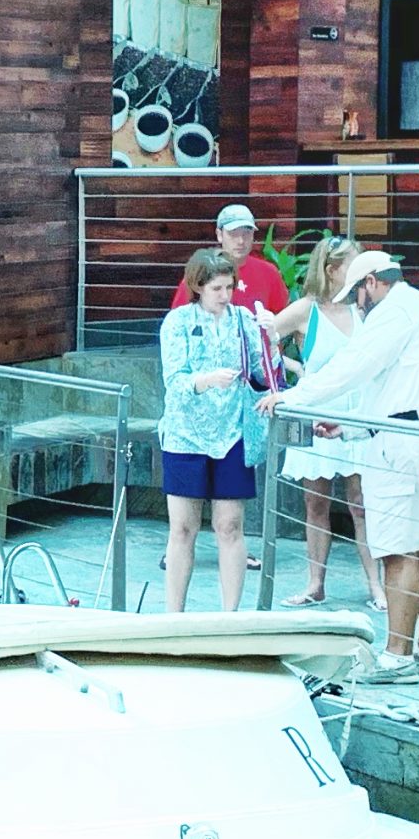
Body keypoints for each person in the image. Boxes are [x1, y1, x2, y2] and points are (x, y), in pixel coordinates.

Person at [275, 252, 419, 684]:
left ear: (372, 282)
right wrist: (349, 428)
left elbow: (354, 366)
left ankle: (397, 657)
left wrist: (294, 398)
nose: (358, 306)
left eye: (358, 296)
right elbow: (400, 389)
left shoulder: (392, 311)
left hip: (407, 444)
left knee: (397, 551)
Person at [261, 234, 385, 610]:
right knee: (316, 503)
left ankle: (376, 586)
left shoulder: (364, 308)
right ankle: (315, 583)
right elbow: (264, 342)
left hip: (358, 412)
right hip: (316, 411)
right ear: (332, 270)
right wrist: (292, 370)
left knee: (363, 503)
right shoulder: (305, 310)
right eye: (352, 262)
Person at [157, 244, 270, 613]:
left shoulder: (242, 320)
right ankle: (173, 615)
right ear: (198, 287)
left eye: (229, 287)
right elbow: (174, 380)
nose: (225, 295)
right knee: (183, 528)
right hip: (185, 435)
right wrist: (206, 380)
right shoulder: (178, 322)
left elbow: (262, 369)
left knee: (230, 525)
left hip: (232, 433)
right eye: (217, 288)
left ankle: (230, 614)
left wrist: (271, 338)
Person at [172, 202, 290, 319]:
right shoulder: (200, 273)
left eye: (246, 233)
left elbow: (285, 317)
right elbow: (178, 321)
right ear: (219, 235)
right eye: (233, 234)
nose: (240, 241)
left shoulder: (269, 272)